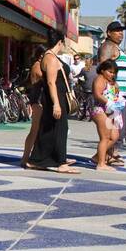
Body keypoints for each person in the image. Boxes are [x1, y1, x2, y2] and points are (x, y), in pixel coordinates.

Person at [28, 33, 79, 173]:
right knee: (61, 128)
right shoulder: (50, 58)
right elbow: (51, 82)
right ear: (60, 43)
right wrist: (56, 103)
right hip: (55, 98)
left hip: (56, 97)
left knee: (48, 129)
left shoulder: (51, 57)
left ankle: (38, 159)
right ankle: (61, 163)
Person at [91, 59, 124, 170]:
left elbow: (116, 95)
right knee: (105, 138)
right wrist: (108, 102)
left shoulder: (113, 82)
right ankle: (101, 163)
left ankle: (97, 156)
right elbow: (97, 94)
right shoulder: (100, 79)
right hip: (100, 110)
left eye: (114, 72)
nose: (112, 74)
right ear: (102, 70)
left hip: (111, 112)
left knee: (114, 136)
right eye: (110, 72)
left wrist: (119, 102)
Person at [19, 44, 48, 168]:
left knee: (38, 130)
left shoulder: (39, 66)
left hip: (38, 100)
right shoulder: (38, 67)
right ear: (41, 56)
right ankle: (26, 158)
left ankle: (31, 157)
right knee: (35, 129)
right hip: (38, 101)